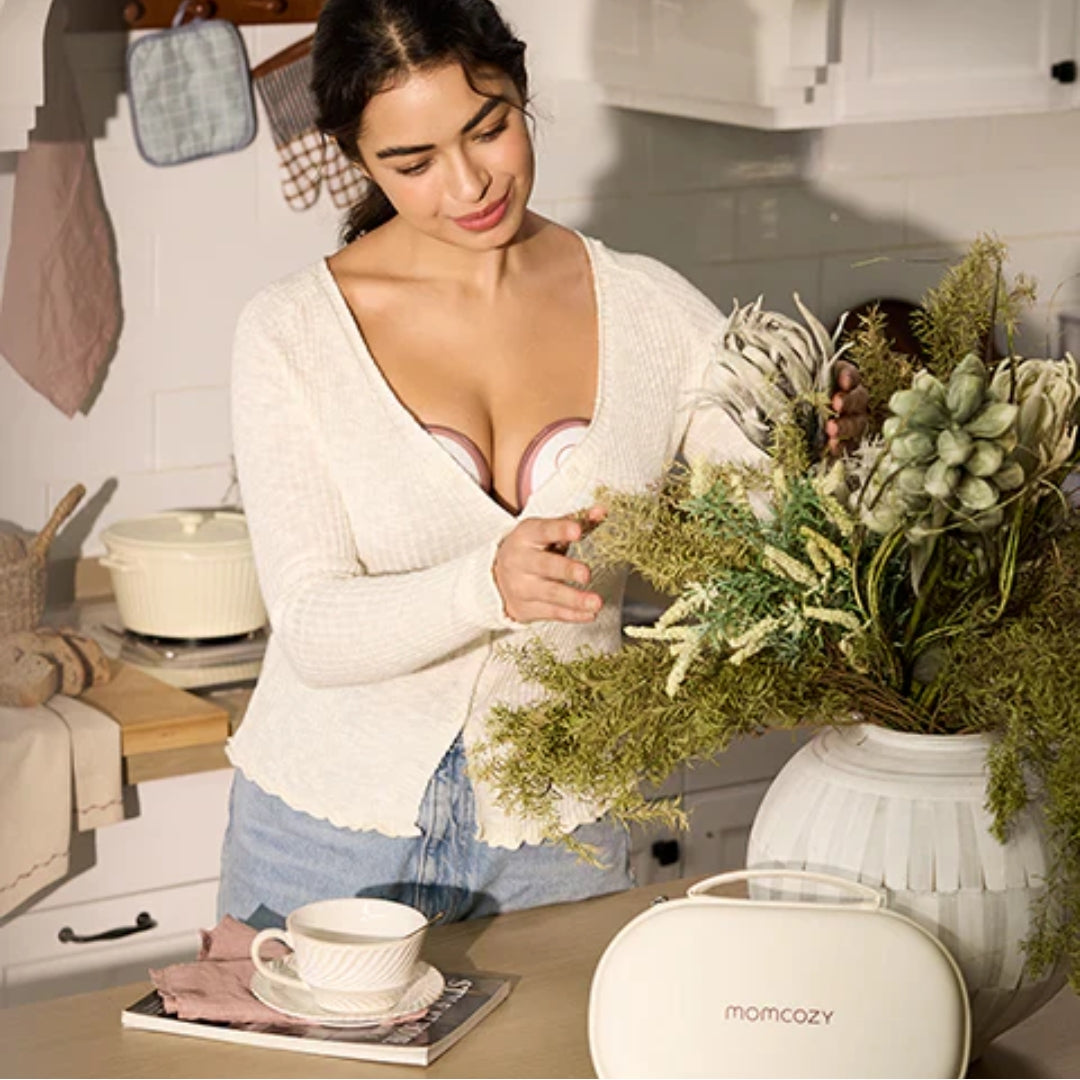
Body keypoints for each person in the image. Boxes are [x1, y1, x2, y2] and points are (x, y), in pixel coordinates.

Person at [218, 0, 867, 928]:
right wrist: (489, 584)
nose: (471, 182)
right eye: (414, 161)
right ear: (358, 159)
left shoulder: (655, 313)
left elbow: (762, 547)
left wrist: (820, 448)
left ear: (521, 94)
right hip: (321, 832)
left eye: (491, 128)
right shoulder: (292, 330)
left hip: (558, 830)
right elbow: (313, 625)